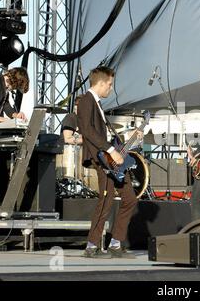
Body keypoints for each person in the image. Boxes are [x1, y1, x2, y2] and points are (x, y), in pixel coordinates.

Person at [77, 66, 138, 258]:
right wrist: (111, 150)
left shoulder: (97, 104)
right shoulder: (87, 100)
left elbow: (102, 133)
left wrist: (130, 139)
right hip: (101, 158)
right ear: (101, 83)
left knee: (129, 198)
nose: (111, 88)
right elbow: (86, 129)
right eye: (110, 84)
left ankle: (115, 243)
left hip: (110, 159)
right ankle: (92, 246)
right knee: (106, 199)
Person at [0, 67, 29, 212]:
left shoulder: (5, 91)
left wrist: (15, 115)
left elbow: (7, 106)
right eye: (17, 85)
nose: (14, 88)